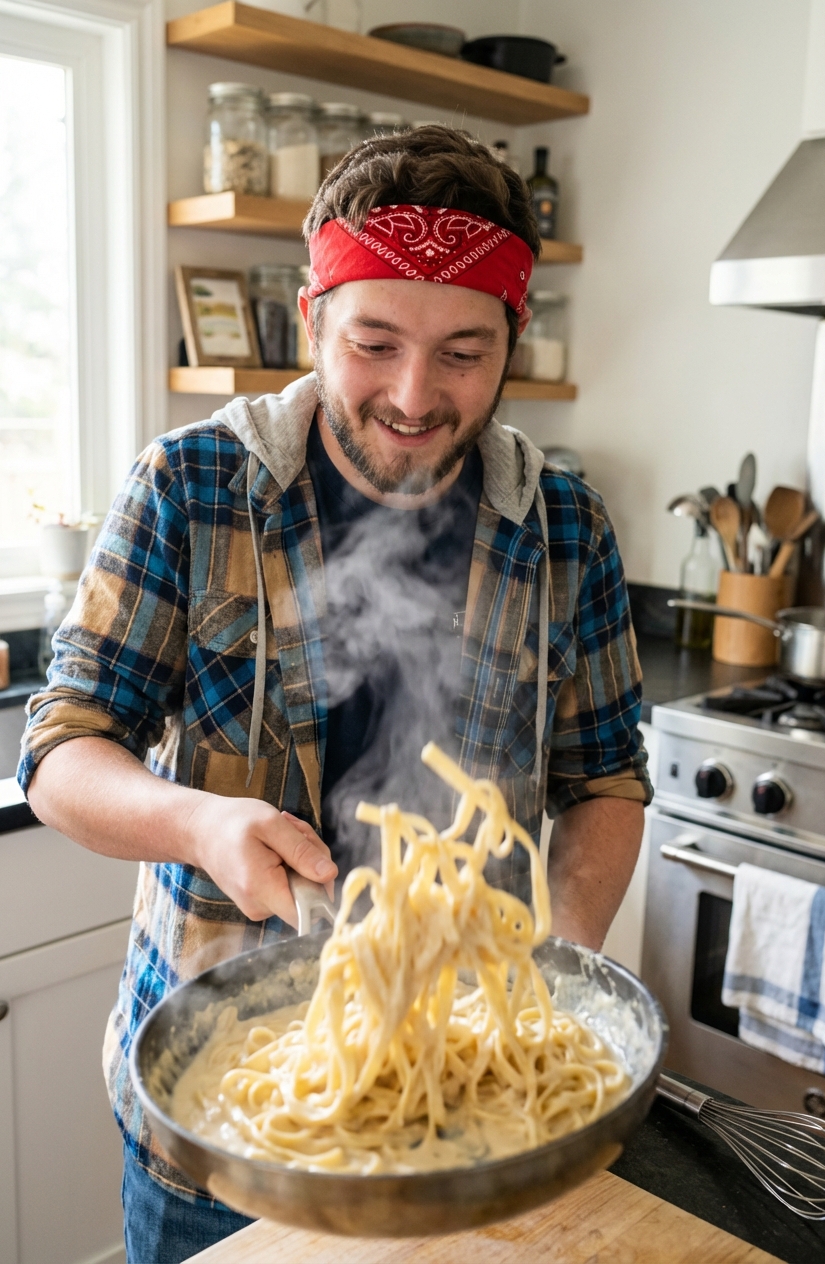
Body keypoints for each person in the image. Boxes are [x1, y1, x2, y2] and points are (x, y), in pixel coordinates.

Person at [19, 126, 651, 1263]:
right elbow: (62, 749)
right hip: (224, 1119)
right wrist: (200, 822)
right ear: (313, 316)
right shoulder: (190, 488)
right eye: (372, 342)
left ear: (512, 340)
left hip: (472, 1109)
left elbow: (604, 776)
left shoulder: (566, 525)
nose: (415, 395)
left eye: (464, 350)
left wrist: (548, 968)